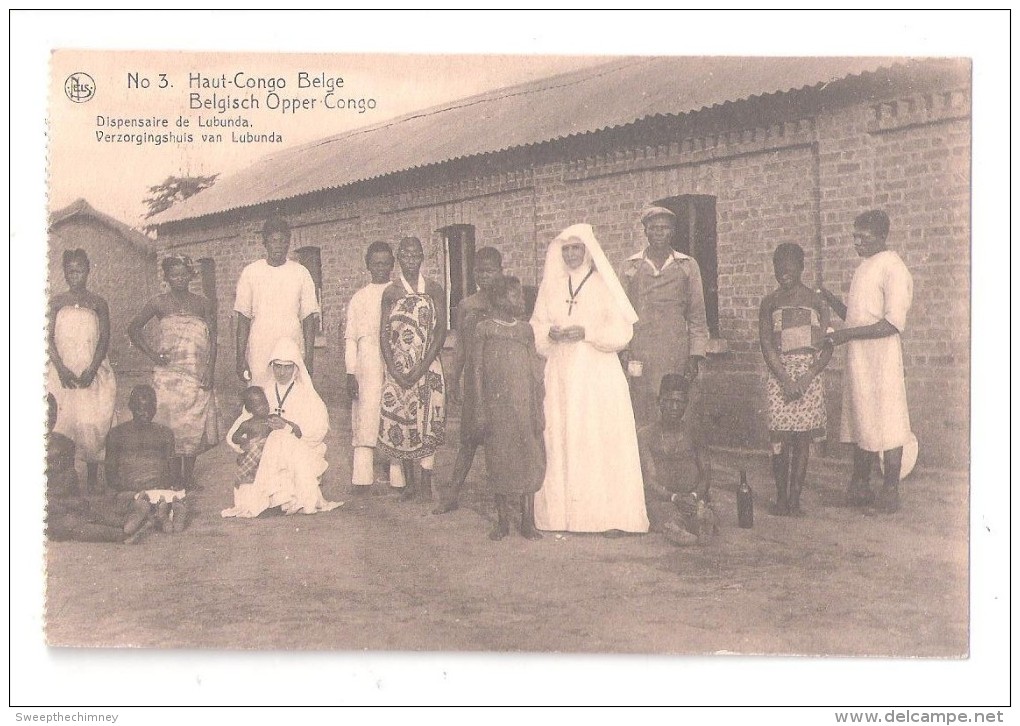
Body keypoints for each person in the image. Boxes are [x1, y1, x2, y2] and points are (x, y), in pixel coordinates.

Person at [531, 223, 649, 535]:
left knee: (594, 437)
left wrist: (587, 333)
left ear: (588, 250)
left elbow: (623, 332)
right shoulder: (551, 286)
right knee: (561, 435)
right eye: (565, 248)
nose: (570, 254)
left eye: (576, 248)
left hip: (596, 374)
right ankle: (560, 517)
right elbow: (537, 326)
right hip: (560, 372)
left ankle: (602, 516)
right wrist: (550, 334)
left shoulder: (602, 284)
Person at [820, 210, 913, 514]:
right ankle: (860, 485)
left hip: (882, 356)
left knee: (889, 419)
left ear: (882, 236)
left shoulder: (894, 268)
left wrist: (846, 336)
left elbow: (892, 323)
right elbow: (857, 315)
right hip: (860, 357)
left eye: (864, 237)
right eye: (855, 236)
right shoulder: (864, 267)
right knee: (863, 417)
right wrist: (831, 300)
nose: (856, 242)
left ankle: (891, 490)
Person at [128, 254, 219, 489]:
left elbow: (213, 339)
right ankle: (172, 475)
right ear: (167, 277)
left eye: (183, 274)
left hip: (195, 373)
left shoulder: (202, 304)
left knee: (191, 423)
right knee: (168, 423)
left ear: (190, 275)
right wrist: (152, 354)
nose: (179, 279)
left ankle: (186, 476)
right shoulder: (158, 303)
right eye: (173, 274)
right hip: (167, 374)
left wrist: (209, 370)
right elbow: (133, 328)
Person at [222, 338, 342, 518]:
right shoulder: (263, 392)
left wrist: (289, 427)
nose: (282, 372)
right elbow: (239, 427)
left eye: (287, 367)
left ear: (296, 367)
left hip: (301, 451)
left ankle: (290, 498)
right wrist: (246, 445)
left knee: (280, 439)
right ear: (271, 366)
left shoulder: (307, 395)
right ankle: (277, 499)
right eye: (278, 366)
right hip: (266, 455)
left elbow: (318, 431)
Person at [465, 276, 545, 541]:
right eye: (515, 296)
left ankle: (527, 520)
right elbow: (476, 370)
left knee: (529, 458)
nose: (521, 301)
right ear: (499, 299)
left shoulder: (525, 331)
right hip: (496, 408)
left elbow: (535, 371)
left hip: (524, 406)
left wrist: (538, 406)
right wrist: (479, 408)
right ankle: (502, 521)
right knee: (499, 460)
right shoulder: (484, 329)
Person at [758, 243, 833, 516]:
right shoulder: (770, 302)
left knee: (801, 440)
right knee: (780, 440)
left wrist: (808, 376)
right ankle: (780, 497)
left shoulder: (816, 302)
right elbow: (767, 345)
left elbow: (828, 344)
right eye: (779, 267)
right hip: (780, 376)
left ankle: (794, 499)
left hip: (809, 377)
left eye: (790, 267)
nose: (783, 272)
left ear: (802, 267)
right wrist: (785, 379)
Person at [620, 206, 710, 424]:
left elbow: (697, 316)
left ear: (672, 232)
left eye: (665, 228)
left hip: (675, 352)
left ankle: (676, 456)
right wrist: (624, 350)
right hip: (641, 353)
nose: (659, 233)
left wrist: (695, 355)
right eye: (654, 228)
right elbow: (620, 314)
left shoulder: (687, 266)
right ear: (646, 232)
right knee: (642, 408)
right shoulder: (630, 267)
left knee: (675, 406)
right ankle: (644, 457)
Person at [434, 246, 504, 514]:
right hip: (475, 381)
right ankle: (451, 495)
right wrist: (453, 379)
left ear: (500, 270)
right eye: (479, 271)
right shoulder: (467, 305)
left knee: (502, 441)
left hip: (501, 380)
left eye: (490, 271)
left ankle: (506, 502)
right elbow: (460, 345)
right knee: (468, 439)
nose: (484, 276)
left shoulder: (506, 302)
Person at [377, 236, 447, 502]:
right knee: (403, 420)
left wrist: (422, 366)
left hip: (428, 365)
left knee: (429, 420)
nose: (410, 261)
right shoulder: (392, 291)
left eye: (415, 255)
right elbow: (383, 332)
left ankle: (427, 480)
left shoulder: (434, 289)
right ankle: (409, 482)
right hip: (399, 367)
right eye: (405, 256)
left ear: (422, 258)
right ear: (398, 258)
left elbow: (440, 331)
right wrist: (394, 369)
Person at [47, 248, 117, 493]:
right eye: (70, 270)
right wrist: (61, 369)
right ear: (64, 273)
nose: (74, 274)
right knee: (63, 424)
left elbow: (104, 339)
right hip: (63, 373)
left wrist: (92, 369)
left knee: (92, 423)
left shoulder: (98, 303)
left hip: (91, 372)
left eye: (79, 270)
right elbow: (46, 338)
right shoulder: (56, 303)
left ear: (88, 271)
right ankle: (64, 479)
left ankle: (91, 480)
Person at [46, 394, 153, 544]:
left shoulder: (64, 443)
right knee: (72, 524)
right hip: (48, 509)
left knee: (91, 510)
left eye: (51, 414)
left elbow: (70, 482)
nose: (47, 419)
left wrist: (73, 501)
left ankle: (132, 520)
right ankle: (123, 534)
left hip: (65, 502)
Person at [234, 217, 320, 389]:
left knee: (291, 394)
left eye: (283, 241)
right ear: (265, 243)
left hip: (291, 343)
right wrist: (240, 356)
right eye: (273, 241)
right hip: (260, 346)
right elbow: (243, 319)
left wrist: (309, 357)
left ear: (288, 243)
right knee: (260, 393)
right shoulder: (251, 272)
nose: (278, 246)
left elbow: (309, 319)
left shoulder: (300, 272)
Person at [637, 374, 717, 546]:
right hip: (664, 498)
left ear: (686, 405)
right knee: (661, 510)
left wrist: (694, 496)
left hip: (693, 496)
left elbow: (706, 475)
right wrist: (673, 497)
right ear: (659, 402)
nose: (674, 407)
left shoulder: (695, 432)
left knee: (700, 507)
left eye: (679, 402)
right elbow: (648, 479)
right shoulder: (646, 434)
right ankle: (681, 526)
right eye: (669, 401)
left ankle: (700, 520)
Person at [344, 241, 394, 495]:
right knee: (366, 413)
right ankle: (363, 477)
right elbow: (351, 338)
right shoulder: (359, 298)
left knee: (395, 411)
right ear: (368, 265)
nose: (381, 268)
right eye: (376, 263)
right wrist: (351, 372)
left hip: (394, 360)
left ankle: (398, 477)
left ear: (392, 264)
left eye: (386, 263)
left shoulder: (399, 293)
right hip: (367, 360)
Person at [105, 384, 176, 494]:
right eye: (141, 410)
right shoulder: (116, 434)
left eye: (150, 409)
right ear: (131, 407)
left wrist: (158, 486)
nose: (146, 414)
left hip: (158, 490)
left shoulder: (165, 434)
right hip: (127, 491)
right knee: (139, 506)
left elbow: (173, 473)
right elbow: (111, 476)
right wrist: (134, 488)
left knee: (174, 506)